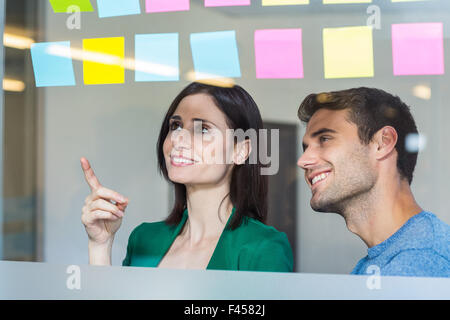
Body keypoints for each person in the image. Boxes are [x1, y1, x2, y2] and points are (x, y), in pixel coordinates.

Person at [80, 82, 293, 272]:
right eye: (176, 126)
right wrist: (100, 245)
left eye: (203, 129)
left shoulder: (263, 247)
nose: (178, 139)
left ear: (240, 151)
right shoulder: (144, 239)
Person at [296, 87, 450, 277]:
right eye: (306, 147)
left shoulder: (421, 263)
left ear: (383, 142)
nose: (303, 161)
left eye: (325, 139)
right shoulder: (386, 260)